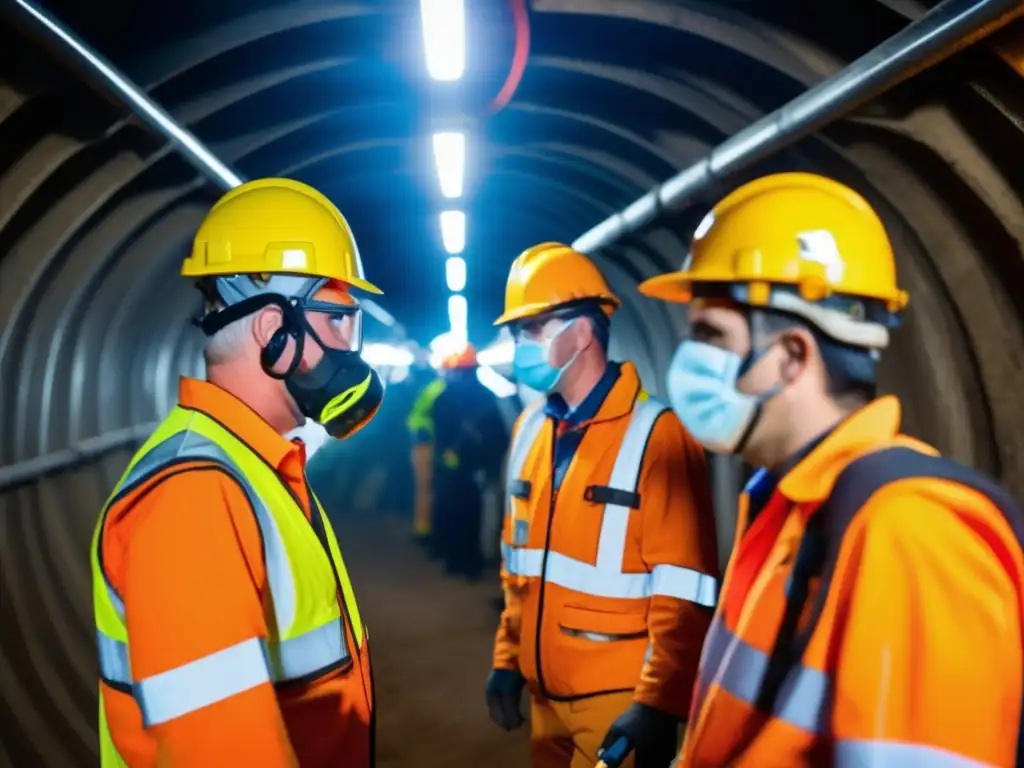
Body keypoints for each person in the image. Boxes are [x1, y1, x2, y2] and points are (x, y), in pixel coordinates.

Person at [638, 171, 1024, 767]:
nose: (689, 362)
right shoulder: (787, 503)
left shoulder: (912, 533)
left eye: (710, 335)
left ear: (792, 357)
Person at [90, 178, 383, 767]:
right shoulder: (193, 498)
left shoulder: (254, 467)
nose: (351, 347)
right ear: (272, 326)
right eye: (339, 320)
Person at [484, 242, 720, 768]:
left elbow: (684, 590)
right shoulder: (529, 431)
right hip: (544, 697)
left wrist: (658, 703)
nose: (518, 344)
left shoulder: (658, 435)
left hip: (619, 705)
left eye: (532, 328)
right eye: (517, 331)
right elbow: (516, 565)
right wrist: (507, 659)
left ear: (583, 331)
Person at [430, 344, 509, 581]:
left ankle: (453, 558)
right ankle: (471, 563)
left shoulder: (444, 396)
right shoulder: (486, 396)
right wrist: (490, 465)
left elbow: (439, 432)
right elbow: (499, 436)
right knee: (474, 515)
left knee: (450, 511)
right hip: (477, 469)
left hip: (450, 467)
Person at [406, 364, 448, 548]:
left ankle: (424, 530)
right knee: (429, 490)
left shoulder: (431, 388)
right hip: (429, 446)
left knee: (424, 490)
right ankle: (427, 531)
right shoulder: (439, 389)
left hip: (424, 444)